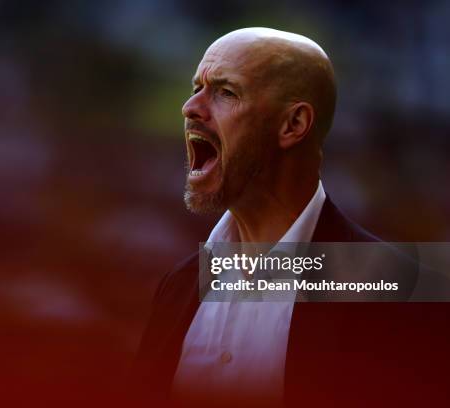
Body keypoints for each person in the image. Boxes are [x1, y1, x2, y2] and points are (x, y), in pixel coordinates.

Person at [133, 28, 450, 407]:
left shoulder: (401, 294)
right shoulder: (178, 286)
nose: (191, 108)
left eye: (225, 92)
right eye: (196, 88)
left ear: (294, 125)